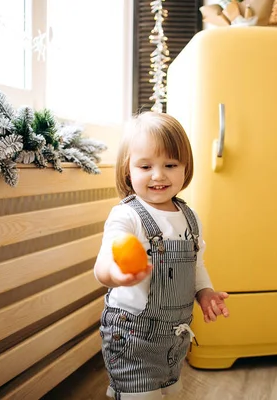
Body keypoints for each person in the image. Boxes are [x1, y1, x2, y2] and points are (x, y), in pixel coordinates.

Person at [94, 111, 230, 399]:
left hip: (174, 336)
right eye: (145, 166)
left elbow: (196, 264)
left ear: (185, 168)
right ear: (127, 170)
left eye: (170, 164)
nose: (158, 175)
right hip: (132, 336)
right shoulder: (127, 215)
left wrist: (204, 292)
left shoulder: (189, 217)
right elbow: (103, 263)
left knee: (170, 390)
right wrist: (115, 274)